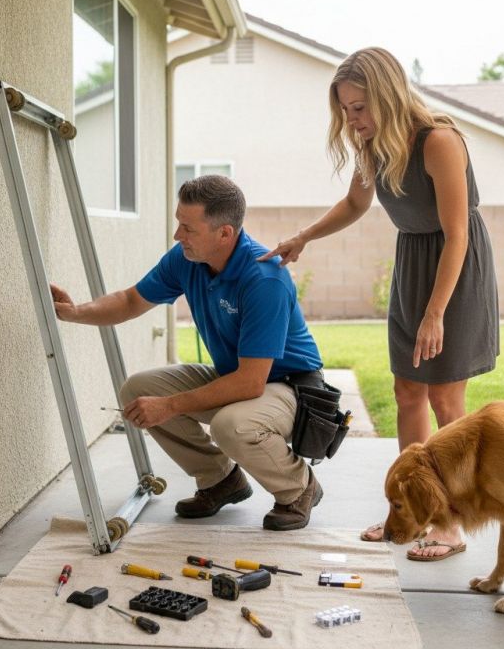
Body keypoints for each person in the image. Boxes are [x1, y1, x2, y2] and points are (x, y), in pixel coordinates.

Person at [260, 47, 499, 560]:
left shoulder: (439, 141)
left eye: (359, 107)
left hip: (455, 268)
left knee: (445, 399)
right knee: (408, 391)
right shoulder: (373, 146)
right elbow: (355, 203)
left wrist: (435, 313)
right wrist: (303, 237)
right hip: (413, 262)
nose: (352, 120)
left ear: (388, 96)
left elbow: (458, 234)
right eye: (345, 110)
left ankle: (452, 523)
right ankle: (411, 512)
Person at [50, 175, 326, 531]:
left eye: (188, 228)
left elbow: (250, 383)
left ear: (224, 234)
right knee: (137, 389)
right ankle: (220, 479)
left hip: (291, 387)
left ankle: (298, 487)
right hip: (238, 377)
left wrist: (169, 406)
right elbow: (130, 300)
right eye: (178, 223)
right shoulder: (187, 259)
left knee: (231, 426)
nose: (177, 235)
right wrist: (76, 312)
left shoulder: (264, 279)